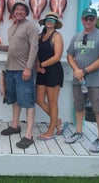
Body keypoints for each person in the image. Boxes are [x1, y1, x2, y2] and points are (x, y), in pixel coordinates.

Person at [0, 0, 39, 149]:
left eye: (22, 9)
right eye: (17, 9)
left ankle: (29, 135)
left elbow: (34, 48)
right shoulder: (11, 27)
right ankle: (15, 126)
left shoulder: (31, 26)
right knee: (15, 99)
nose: (19, 11)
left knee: (28, 101)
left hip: (24, 71)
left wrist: (28, 68)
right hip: (10, 69)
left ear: (26, 12)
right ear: (13, 12)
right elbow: (11, 48)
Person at [66, 8, 99, 152]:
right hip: (78, 80)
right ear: (82, 19)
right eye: (86, 18)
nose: (88, 21)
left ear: (95, 20)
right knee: (79, 107)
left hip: (96, 81)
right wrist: (77, 70)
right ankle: (79, 132)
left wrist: (84, 71)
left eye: (91, 19)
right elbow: (69, 56)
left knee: (98, 109)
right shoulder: (76, 37)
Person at [35, 11, 68, 140]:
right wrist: (38, 65)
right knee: (39, 100)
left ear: (56, 24)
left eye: (53, 20)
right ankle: (57, 122)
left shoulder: (57, 36)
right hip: (41, 71)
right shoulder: (40, 36)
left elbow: (57, 57)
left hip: (54, 71)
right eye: (48, 19)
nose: (50, 21)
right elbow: (36, 53)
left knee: (52, 102)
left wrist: (41, 65)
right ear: (44, 21)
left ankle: (51, 131)